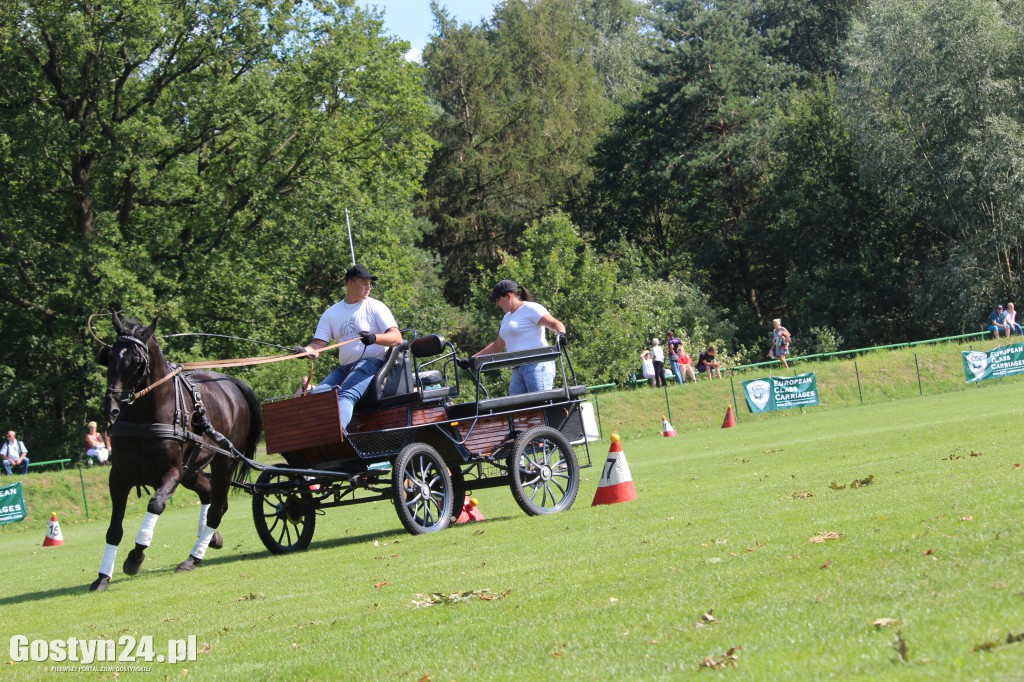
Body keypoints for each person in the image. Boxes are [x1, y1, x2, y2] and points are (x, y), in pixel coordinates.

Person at [294, 263, 404, 431]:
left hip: (371, 363)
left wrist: (374, 338)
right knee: (316, 397)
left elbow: (396, 338)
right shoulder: (331, 313)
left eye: (370, 283)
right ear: (350, 284)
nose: (369, 287)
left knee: (345, 396)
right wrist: (305, 351)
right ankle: (317, 436)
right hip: (344, 367)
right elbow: (317, 346)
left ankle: (337, 437)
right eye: (365, 283)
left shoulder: (376, 307)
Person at [462, 279, 567, 395]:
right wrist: (472, 359)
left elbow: (555, 324)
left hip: (537, 364)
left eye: (498, 299)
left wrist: (561, 335)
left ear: (508, 296)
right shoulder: (507, 318)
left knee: (541, 406)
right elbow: (497, 346)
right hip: (517, 368)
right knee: (516, 408)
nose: (497, 304)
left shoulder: (531, 308)